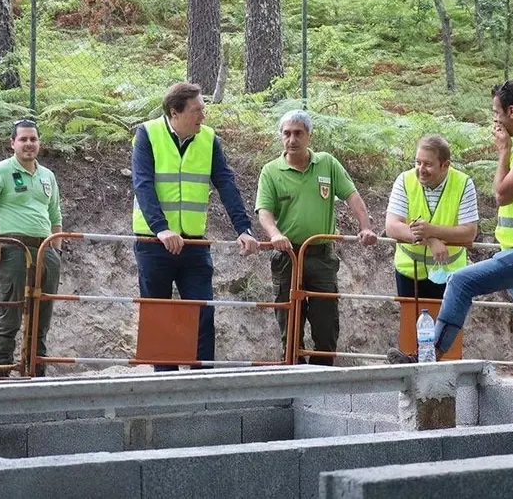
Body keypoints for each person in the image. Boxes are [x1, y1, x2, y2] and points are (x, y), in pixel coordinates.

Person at [388, 81, 513, 385]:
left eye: (496, 113)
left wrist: (503, 152)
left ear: (511, 111)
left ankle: (427, 356)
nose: (494, 120)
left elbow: (502, 194)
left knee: (461, 281)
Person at [132, 82, 259, 371]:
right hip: (153, 243)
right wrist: (161, 228)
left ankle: (203, 382)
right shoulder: (147, 134)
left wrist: (243, 228)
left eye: (203, 109)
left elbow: (226, 183)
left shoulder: (209, 139)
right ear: (175, 112)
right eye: (197, 110)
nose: (203, 116)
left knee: (202, 312)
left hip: (194, 244)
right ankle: (165, 383)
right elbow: (143, 184)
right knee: (159, 314)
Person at [256, 110, 378, 366]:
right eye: (286, 133)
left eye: (298, 133)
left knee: (326, 324)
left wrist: (365, 226)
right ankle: (293, 376)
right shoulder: (271, 171)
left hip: (321, 257)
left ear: (309, 136)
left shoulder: (327, 164)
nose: (292, 139)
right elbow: (264, 211)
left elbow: (352, 196)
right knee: (290, 325)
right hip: (288, 257)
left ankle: (322, 377)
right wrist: (275, 234)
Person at [0, 119, 62, 377]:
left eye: (33, 139)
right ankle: (2, 370)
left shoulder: (47, 176)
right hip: (14, 249)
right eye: (23, 139)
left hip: (46, 250)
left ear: (39, 142)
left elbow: (55, 215)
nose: (29, 144)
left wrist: (56, 251)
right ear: (12, 143)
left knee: (42, 316)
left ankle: (36, 371)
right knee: (11, 314)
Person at [385, 135, 478, 300]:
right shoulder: (404, 180)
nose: (421, 169)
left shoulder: (463, 183)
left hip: (451, 274)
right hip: (410, 273)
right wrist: (430, 239)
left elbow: (469, 233)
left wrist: (431, 230)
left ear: (445, 165)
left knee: (447, 318)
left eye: (427, 164)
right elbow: (392, 227)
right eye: (417, 162)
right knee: (411, 318)